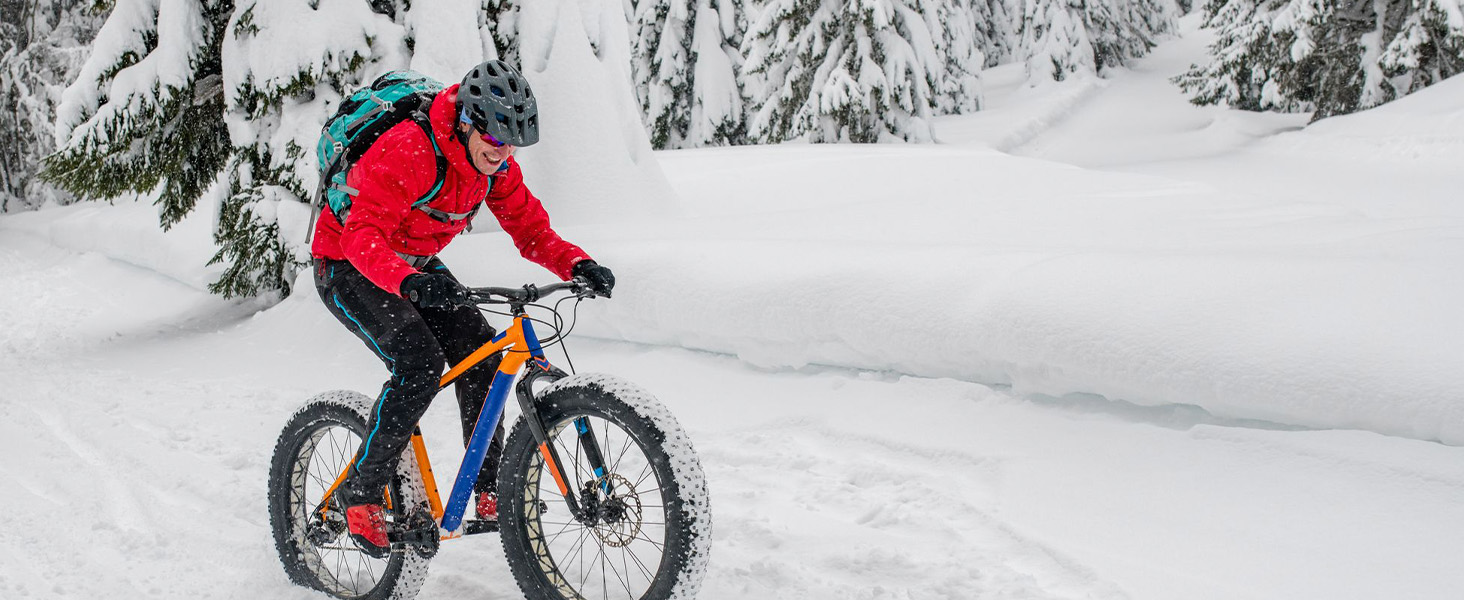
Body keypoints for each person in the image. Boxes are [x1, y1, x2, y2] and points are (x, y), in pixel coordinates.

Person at [309, 59, 616, 557]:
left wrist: (577, 263)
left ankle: (490, 489)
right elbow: (362, 236)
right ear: (469, 123)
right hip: (346, 262)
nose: (504, 155)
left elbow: (531, 231)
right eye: (496, 143)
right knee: (419, 364)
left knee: (484, 357)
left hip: (411, 263)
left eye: (512, 146)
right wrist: (409, 281)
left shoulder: (494, 164)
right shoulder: (409, 149)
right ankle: (361, 493)